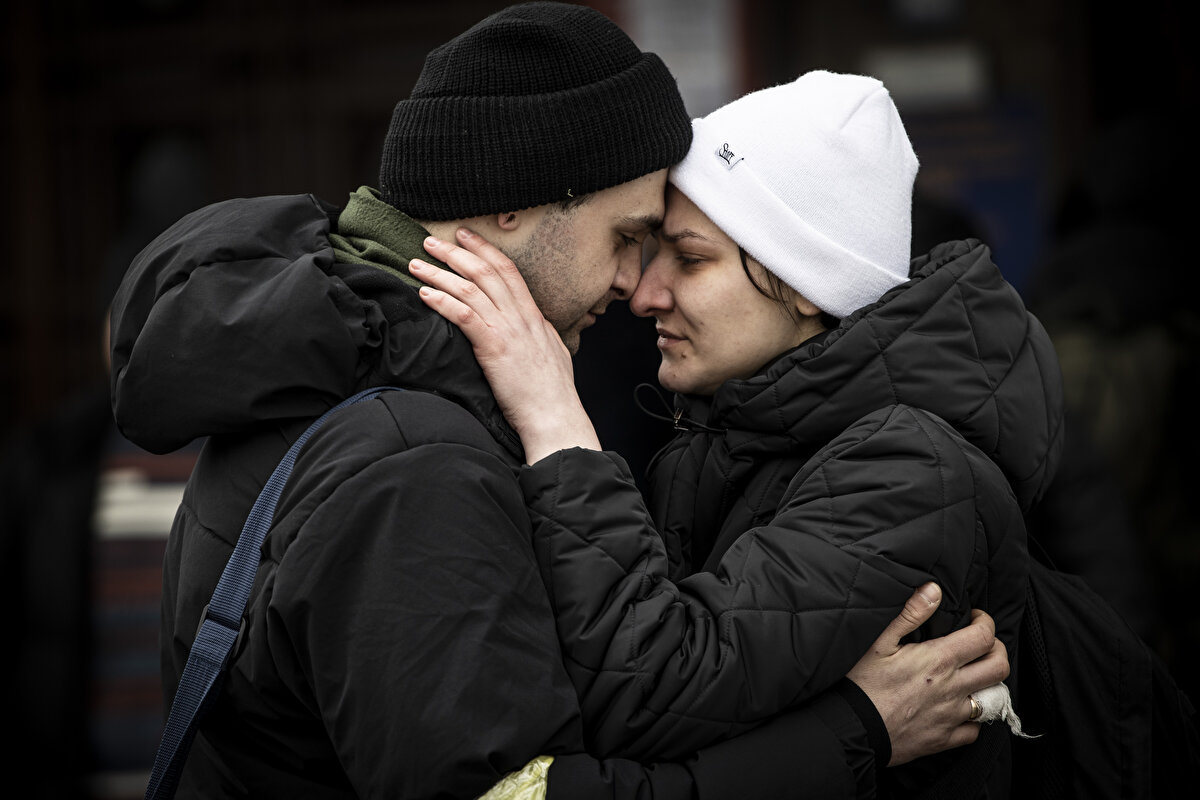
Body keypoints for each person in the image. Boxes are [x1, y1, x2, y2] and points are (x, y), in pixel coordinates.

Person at [109, 6, 1008, 798]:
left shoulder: (329, 366)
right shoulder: (416, 459)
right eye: (630, 237)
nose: (634, 283)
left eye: (672, 253)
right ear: (513, 205)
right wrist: (853, 737)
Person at [416, 69, 1063, 797]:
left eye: (689, 259)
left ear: (805, 283)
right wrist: (855, 723)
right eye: (651, 248)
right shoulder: (720, 444)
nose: (646, 292)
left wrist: (559, 427)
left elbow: (647, 689)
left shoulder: (910, 470)